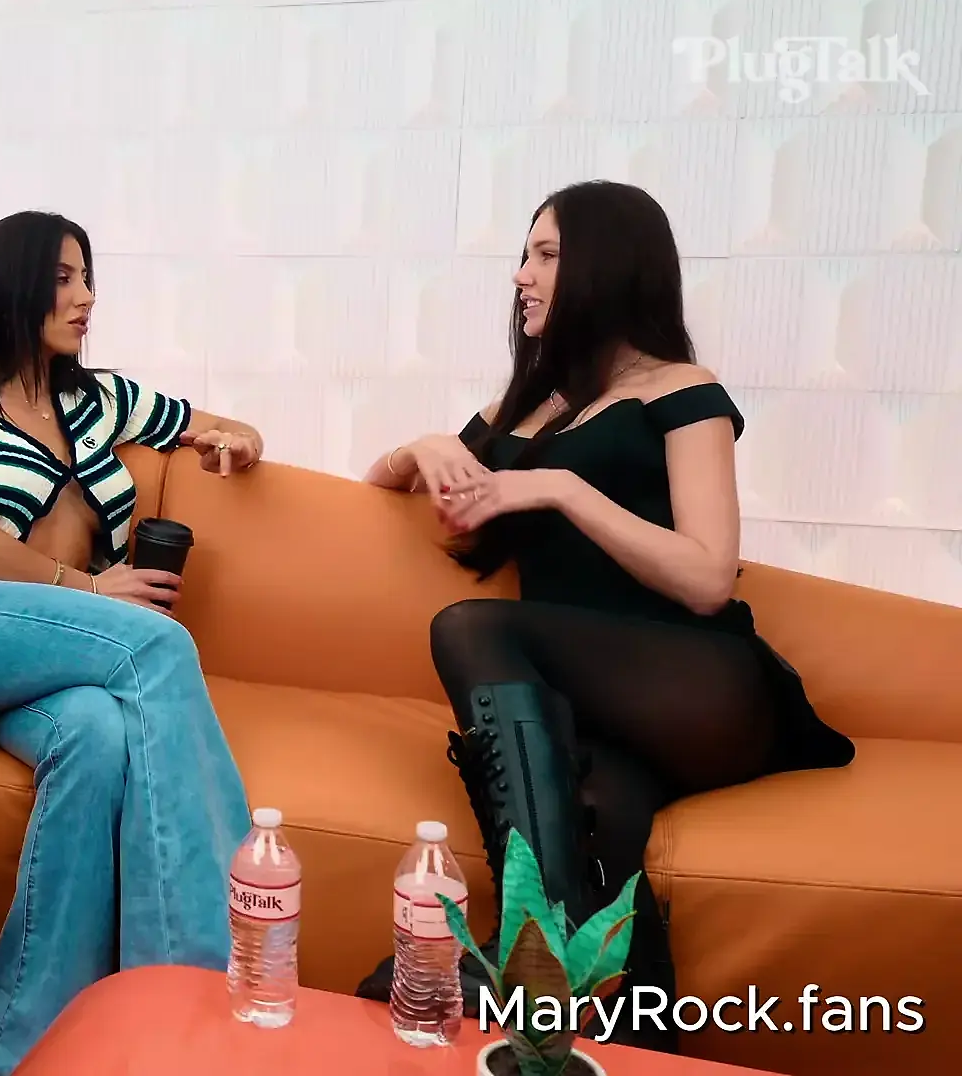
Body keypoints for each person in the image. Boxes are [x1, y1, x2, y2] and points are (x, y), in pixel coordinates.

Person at [352, 180, 856, 1050]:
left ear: (609, 267)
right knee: (599, 822)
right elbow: (375, 488)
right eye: (524, 255)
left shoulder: (682, 390)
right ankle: (634, 1037)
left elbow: (709, 577)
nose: (522, 275)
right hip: (594, 717)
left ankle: (532, 937)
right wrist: (427, 446)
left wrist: (560, 488)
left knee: (471, 626)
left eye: (546, 255)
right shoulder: (529, 407)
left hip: (699, 686)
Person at [0, 210, 262, 1075]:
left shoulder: (97, 399)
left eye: (88, 279)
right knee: (154, 647)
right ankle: (198, 1001)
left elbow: (217, 423)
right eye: (63, 278)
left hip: (50, 655)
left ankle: (24, 1055)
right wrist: (90, 588)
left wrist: (236, 440)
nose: (85, 297)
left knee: (97, 733)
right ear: (11, 286)